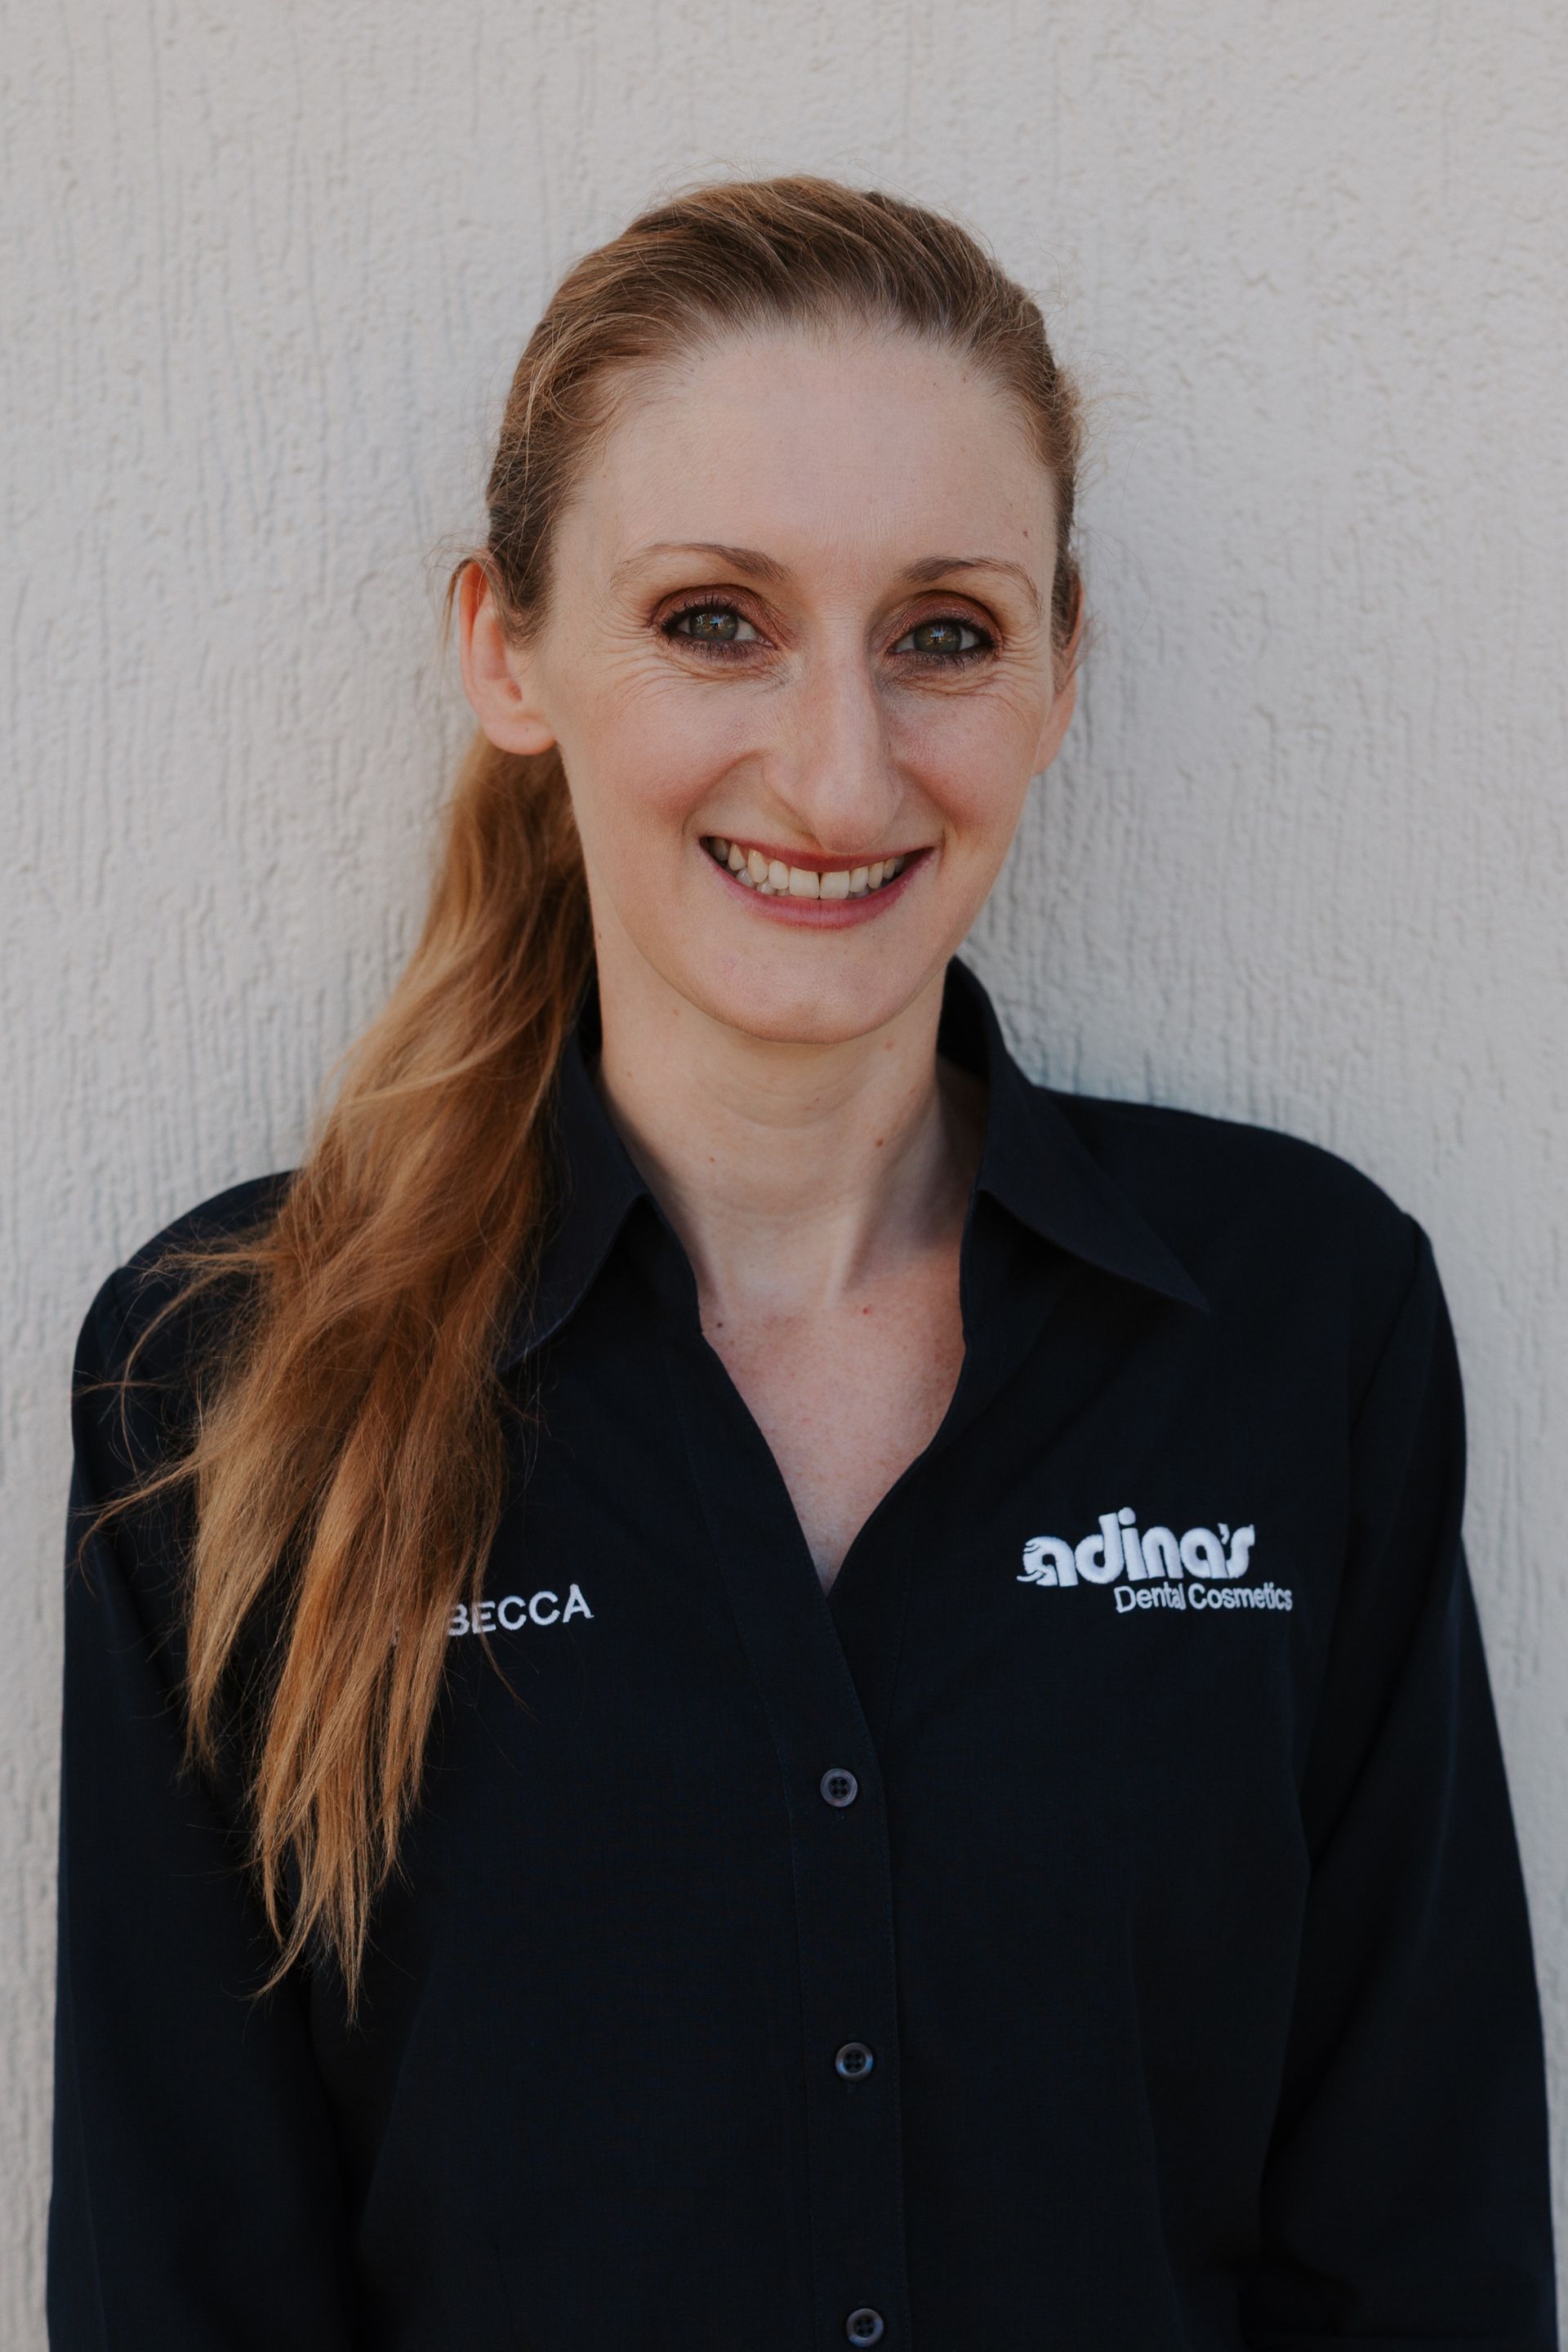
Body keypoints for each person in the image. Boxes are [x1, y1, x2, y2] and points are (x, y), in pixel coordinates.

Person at [48, 175, 1557, 2350]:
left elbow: (1425, 2241)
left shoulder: (1302, 1323)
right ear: (506, 651)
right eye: (712, 621)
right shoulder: (223, 1375)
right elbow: (184, 2276)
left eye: (943, 632)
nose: (841, 775)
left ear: (1059, 671)